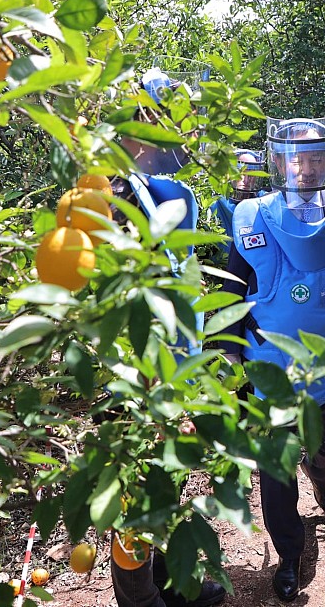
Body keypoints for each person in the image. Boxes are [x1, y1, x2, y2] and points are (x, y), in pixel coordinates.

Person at [218, 115, 325, 601]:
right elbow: (231, 291)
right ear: (281, 163)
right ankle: (289, 555)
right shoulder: (252, 218)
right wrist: (227, 352)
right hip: (269, 368)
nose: (306, 169)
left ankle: (322, 475)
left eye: (315, 158)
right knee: (275, 468)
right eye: (297, 159)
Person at [106, 68, 225, 607]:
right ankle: (138, 598)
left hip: (172, 370)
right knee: (138, 488)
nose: (188, 134)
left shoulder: (155, 189)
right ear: (144, 121)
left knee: (165, 483)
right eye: (177, 119)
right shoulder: (113, 190)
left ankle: (170, 584)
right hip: (140, 376)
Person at [208, 149, 267, 240]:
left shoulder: (265, 200)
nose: (246, 180)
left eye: (251, 174)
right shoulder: (218, 205)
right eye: (241, 173)